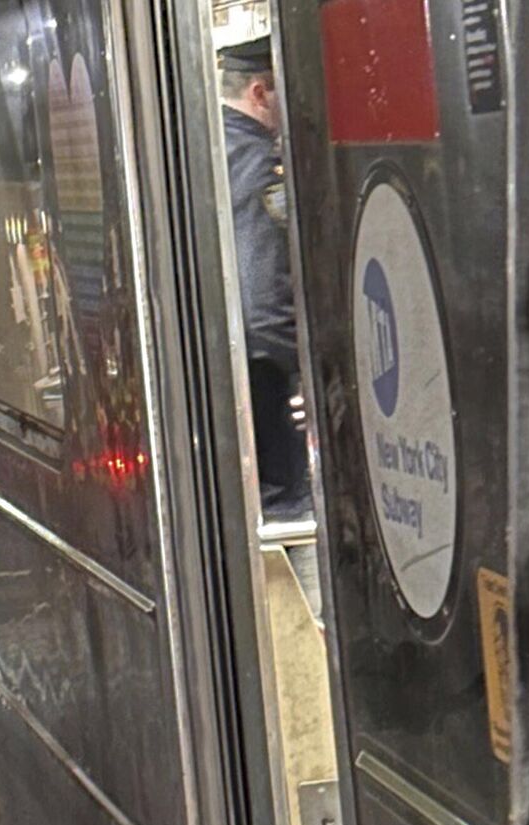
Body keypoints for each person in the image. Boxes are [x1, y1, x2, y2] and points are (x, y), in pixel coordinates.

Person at [219, 35, 311, 519]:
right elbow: (264, 299)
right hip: (270, 387)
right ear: (259, 93)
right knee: (293, 516)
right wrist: (311, 367)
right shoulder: (258, 165)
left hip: (234, 381)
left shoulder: (215, 149)